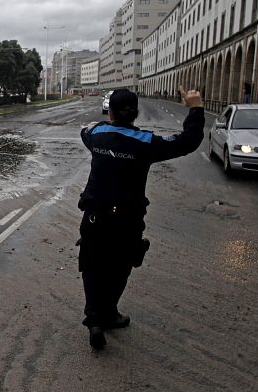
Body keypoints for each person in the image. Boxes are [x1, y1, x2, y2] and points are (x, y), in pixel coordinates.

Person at [77, 87, 204, 350]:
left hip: (94, 217)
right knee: (120, 266)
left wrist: (97, 125)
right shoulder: (146, 142)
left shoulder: (97, 135)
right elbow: (188, 142)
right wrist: (196, 108)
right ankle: (109, 313)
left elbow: (85, 130)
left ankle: (95, 320)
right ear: (135, 113)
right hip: (127, 220)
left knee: (91, 266)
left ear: (109, 112)